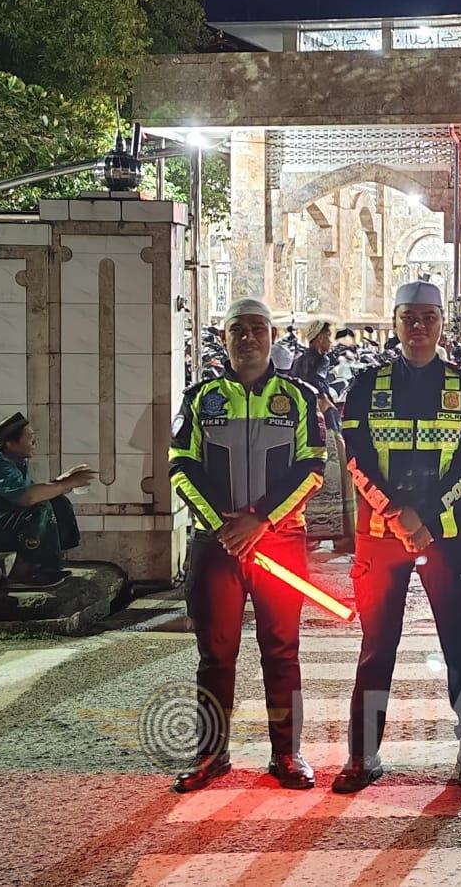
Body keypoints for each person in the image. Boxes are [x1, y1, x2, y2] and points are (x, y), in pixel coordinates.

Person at [334, 280, 461, 794]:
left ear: (442, 323)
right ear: (395, 322)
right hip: (380, 539)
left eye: (428, 317)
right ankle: (363, 754)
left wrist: (424, 514)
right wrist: (394, 511)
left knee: (459, 642)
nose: (418, 327)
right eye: (409, 317)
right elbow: (353, 457)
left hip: (445, 537)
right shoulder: (365, 384)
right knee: (376, 646)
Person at [167, 297, 327, 794]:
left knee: (282, 653)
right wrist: (224, 527)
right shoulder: (199, 399)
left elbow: (313, 469)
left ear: (273, 336)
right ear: (224, 337)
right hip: (215, 549)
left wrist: (260, 520)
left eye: (259, 329)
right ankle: (210, 755)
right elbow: (180, 467)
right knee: (215, 656)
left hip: (280, 542)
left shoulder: (300, 397)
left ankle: (287, 753)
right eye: (239, 329)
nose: (249, 338)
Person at [0, 413, 93, 588]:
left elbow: (32, 493)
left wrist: (63, 482)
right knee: (40, 509)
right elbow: (27, 498)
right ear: (10, 443)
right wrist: (68, 483)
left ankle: (45, 567)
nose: (34, 442)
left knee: (56, 501)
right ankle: (20, 576)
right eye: (29, 438)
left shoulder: (13, 461)